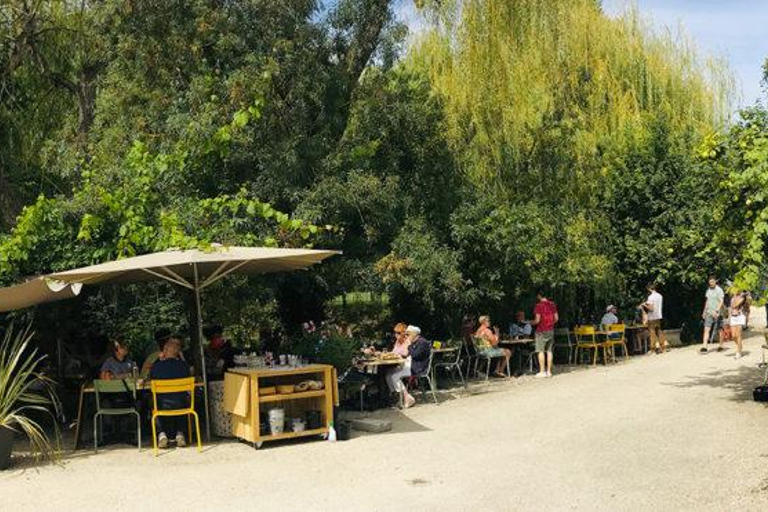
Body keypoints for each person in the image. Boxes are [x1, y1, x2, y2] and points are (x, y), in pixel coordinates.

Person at [149, 334, 191, 448]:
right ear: (177, 353)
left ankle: (161, 433)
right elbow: (189, 375)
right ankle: (180, 433)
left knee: (153, 402)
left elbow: (151, 379)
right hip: (181, 404)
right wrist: (182, 358)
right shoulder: (184, 366)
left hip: (162, 404)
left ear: (164, 351)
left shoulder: (156, 367)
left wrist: (159, 360)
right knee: (182, 399)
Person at [384, 325, 432, 409]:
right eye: (405, 335)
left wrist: (409, 346)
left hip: (418, 368)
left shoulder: (422, 342)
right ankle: (399, 396)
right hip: (412, 366)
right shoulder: (416, 342)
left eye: (407, 334)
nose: (406, 336)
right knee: (388, 374)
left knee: (394, 376)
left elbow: (415, 355)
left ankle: (407, 397)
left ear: (414, 334)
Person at [531, 291, 558, 378]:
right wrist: (550, 323)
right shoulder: (552, 304)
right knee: (549, 351)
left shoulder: (538, 306)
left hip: (541, 331)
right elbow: (556, 318)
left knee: (540, 351)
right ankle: (549, 371)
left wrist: (530, 323)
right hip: (551, 330)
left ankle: (542, 371)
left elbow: (537, 320)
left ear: (539, 295)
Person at [700, 276, 725, 354]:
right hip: (709, 312)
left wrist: (717, 311)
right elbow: (707, 301)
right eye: (710, 282)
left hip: (717, 313)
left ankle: (721, 345)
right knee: (706, 329)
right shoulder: (708, 290)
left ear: (715, 282)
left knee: (720, 330)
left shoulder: (719, 290)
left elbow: (721, 301)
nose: (711, 283)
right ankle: (704, 346)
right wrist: (704, 311)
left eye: (712, 282)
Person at [642, 283, 667, 354]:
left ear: (649, 289)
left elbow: (651, 308)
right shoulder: (660, 296)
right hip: (658, 315)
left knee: (652, 333)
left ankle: (653, 349)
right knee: (659, 331)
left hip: (652, 317)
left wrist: (644, 305)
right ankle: (663, 347)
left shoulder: (650, 297)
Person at [730, 290, 749, 359]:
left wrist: (736, 296)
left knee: (738, 334)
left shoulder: (742, 297)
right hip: (733, 316)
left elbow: (735, 305)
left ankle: (739, 352)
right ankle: (740, 346)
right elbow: (731, 307)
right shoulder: (732, 297)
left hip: (740, 316)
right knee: (733, 336)